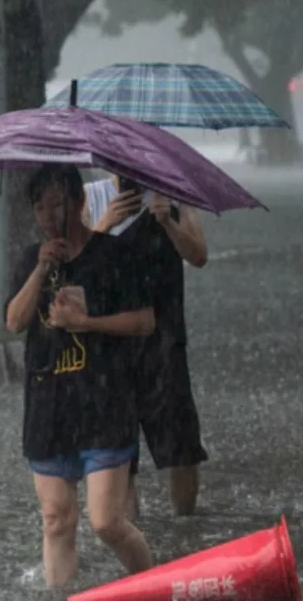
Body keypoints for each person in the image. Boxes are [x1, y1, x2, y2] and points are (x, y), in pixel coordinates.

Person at [6, 164, 156, 589]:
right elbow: (14, 321)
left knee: (107, 521)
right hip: (49, 408)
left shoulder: (114, 255)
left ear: (79, 201)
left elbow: (145, 321)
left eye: (57, 205)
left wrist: (87, 323)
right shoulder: (30, 260)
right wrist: (39, 271)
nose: (49, 216)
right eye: (40, 208)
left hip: (104, 405)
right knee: (56, 519)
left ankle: (154, 588)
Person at [88, 175, 210, 518]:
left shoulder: (175, 192)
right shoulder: (90, 196)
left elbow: (199, 255)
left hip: (165, 343)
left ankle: (184, 527)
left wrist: (167, 221)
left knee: (182, 449)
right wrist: (104, 224)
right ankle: (134, 539)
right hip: (110, 347)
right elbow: (76, 270)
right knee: (119, 459)